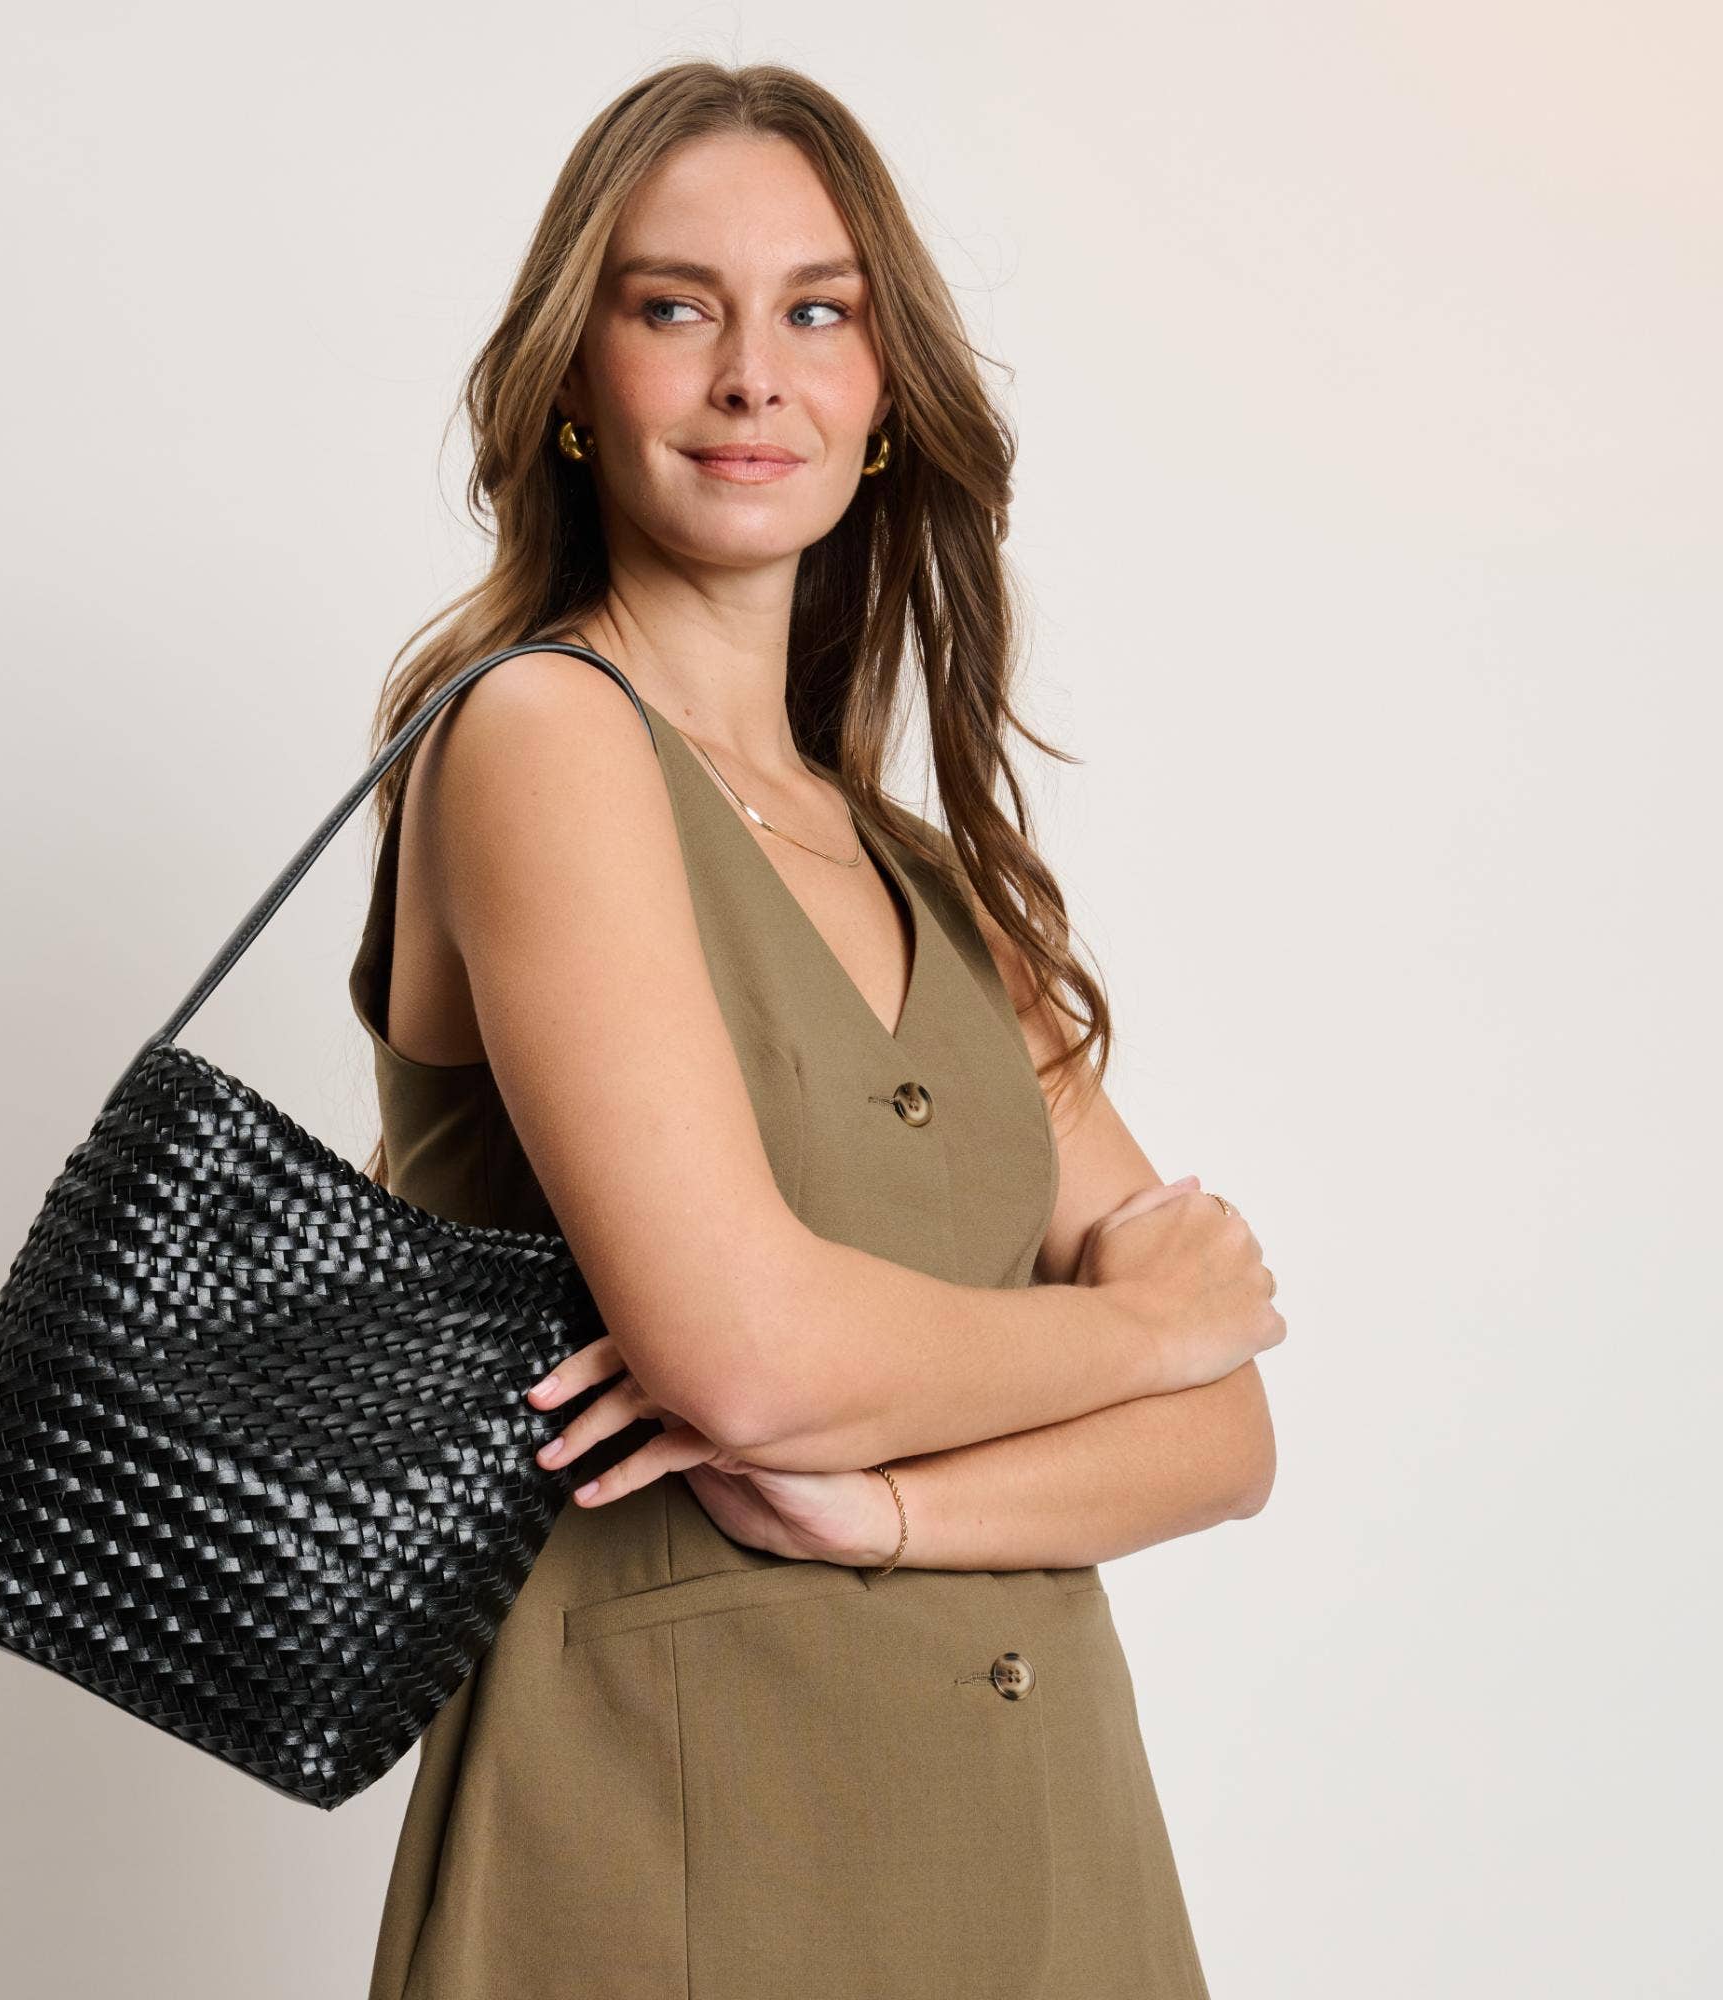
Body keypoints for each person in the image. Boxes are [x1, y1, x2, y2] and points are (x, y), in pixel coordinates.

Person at [347, 59, 1284, 2000]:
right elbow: (747, 1355)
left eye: (819, 313)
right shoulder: (537, 736)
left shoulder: (932, 877)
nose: (751, 377)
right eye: (674, 305)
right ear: (578, 380)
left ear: (884, 399)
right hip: (680, 1844)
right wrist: (1130, 1331)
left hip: (1046, 1856)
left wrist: (894, 1506)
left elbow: (1225, 1433)